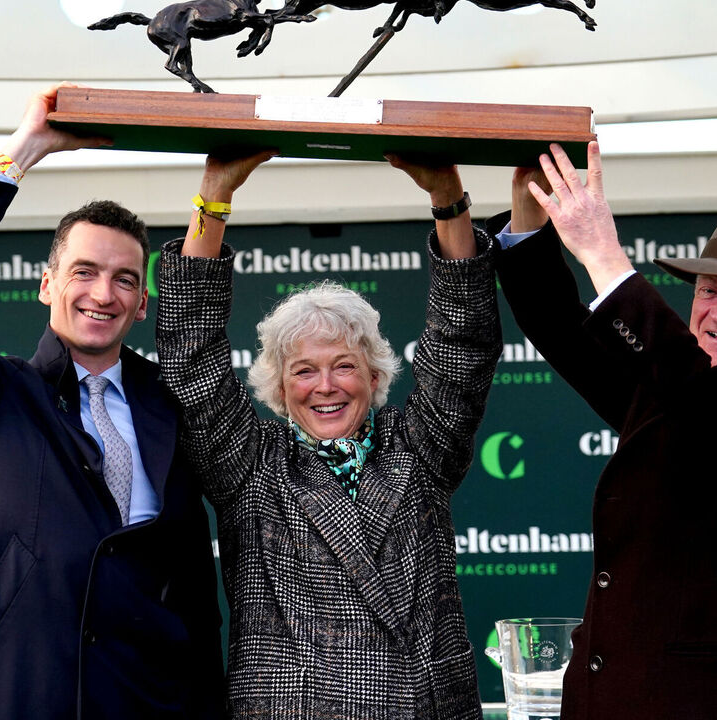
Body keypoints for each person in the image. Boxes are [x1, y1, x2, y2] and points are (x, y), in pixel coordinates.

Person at [487, 141, 717, 720]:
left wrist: (605, 257)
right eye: (709, 290)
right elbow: (565, 331)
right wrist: (528, 208)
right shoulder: (671, 389)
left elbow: (711, 411)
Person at [0, 85, 224, 720]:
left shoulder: (176, 404)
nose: (102, 293)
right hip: (18, 695)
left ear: (142, 304)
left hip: (147, 702)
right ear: (48, 284)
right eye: (84, 271)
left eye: (125, 280)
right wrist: (26, 150)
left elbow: (193, 587)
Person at [154, 151, 502, 719]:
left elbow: (464, 345)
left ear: (373, 373)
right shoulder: (252, 466)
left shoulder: (419, 447)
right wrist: (215, 191)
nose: (325, 386)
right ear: (279, 386)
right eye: (303, 370)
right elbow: (191, 354)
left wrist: (447, 193)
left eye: (343, 364)